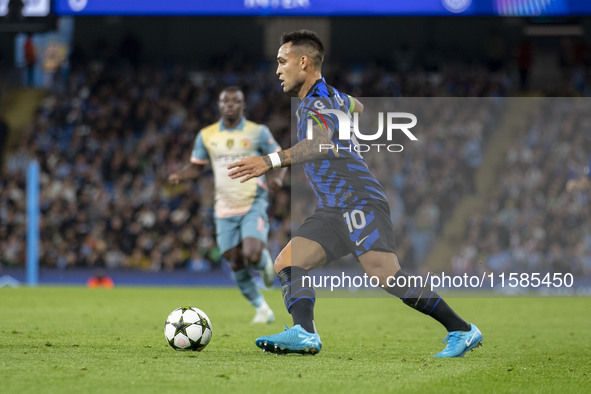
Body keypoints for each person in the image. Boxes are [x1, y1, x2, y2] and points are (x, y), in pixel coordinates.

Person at [228, 30, 482, 356]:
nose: (277, 69)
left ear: (303, 62)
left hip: (358, 199)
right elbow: (357, 106)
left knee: (386, 275)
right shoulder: (328, 96)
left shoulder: (318, 101)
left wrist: (270, 161)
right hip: (333, 207)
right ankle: (304, 332)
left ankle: (462, 329)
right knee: (288, 262)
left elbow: (319, 143)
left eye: (282, 61)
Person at [169, 86, 285, 324]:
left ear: (243, 105)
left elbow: (280, 155)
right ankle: (262, 308)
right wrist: (180, 175)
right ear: (219, 105)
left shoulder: (258, 132)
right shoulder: (207, 135)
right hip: (223, 207)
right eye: (226, 101)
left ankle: (265, 265)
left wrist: (278, 178)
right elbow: (197, 165)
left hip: (253, 201)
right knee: (235, 261)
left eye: (235, 101)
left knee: (251, 253)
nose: (230, 104)